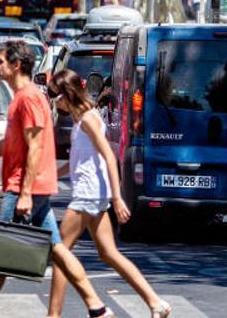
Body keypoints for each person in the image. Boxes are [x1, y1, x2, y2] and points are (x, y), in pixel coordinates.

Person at [0, 40, 114, 318]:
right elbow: (11, 143)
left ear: (16, 66)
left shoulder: (28, 98)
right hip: (30, 186)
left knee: (0, 252)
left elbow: (36, 145)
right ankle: (97, 308)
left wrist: (25, 193)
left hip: (25, 187)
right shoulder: (23, 97)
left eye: (0, 61)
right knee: (57, 249)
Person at [47, 70, 170, 318]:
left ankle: (54, 314)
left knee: (60, 252)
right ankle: (156, 302)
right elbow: (79, 161)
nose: (53, 101)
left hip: (88, 194)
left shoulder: (89, 120)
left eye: (54, 95)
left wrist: (117, 198)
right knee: (108, 253)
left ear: (67, 95)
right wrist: (50, 173)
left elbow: (108, 158)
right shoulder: (82, 119)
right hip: (94, 193)